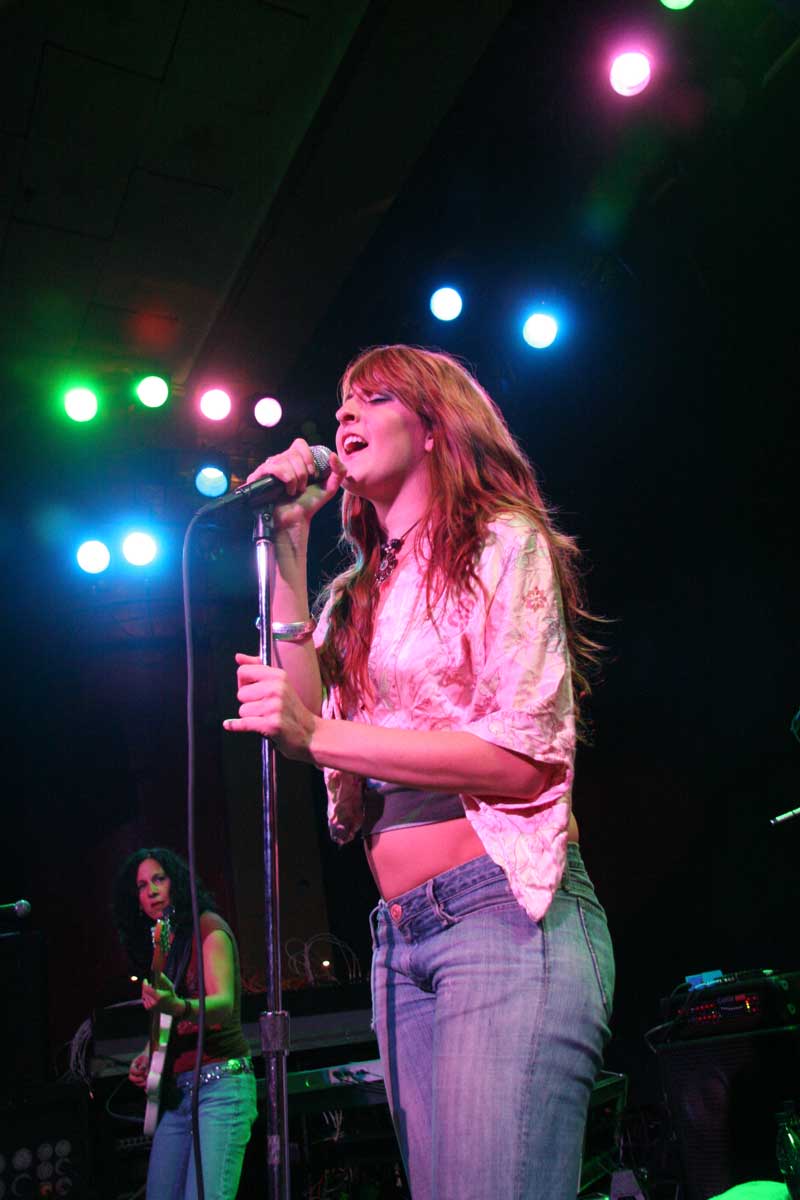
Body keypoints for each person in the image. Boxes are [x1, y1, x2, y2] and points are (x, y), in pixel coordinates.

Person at [223, 344, 615, 1199]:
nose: (343, 419)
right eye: (339, 407)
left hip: (504, 917)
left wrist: (318, 737)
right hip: (399, 940)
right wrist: (288, 549)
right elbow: (304, 722)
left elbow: (520, 762)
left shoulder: (504, 544)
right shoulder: (354, 597)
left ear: (434, 426)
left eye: (370, 399)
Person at [112, 848, 257, 1200]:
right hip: (178, 1094)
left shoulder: (208, 926)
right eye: (142, 886)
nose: (152, 891)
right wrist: (148, 1053)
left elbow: (222, 1005)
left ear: (176, 881)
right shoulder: (162, 942)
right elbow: (166, 1018)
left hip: (221, 1087)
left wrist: (176, 1006)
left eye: (159, 879)